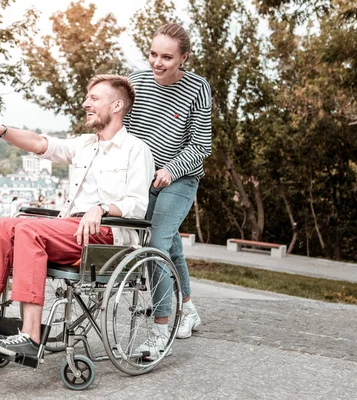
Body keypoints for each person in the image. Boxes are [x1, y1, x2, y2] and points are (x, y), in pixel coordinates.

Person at [0, 74, 155, 359]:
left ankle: (30, 336)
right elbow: (41, 144)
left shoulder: (136, 150)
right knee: (2, 226)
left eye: (94, 99)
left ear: (117, 105)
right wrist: (1, 131)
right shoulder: (84, 145)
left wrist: (102, 208)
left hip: (107, 235)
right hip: (71, 228)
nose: (85, 104)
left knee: (31, 231)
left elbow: (137, 204)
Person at [123, 23, 212, 341]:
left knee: (157, 244)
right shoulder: (136, 81)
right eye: (153, 54)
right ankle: (187, 309)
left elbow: (200, 146)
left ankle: (162, 329)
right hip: (143, 178)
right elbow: (126, 130)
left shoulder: (198, 88)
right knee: (168, 244)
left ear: (183, 58)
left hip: (180, 178)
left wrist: (170, 171)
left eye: (167, 57)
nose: (157, 63)